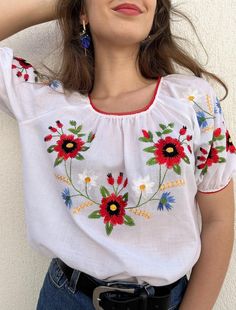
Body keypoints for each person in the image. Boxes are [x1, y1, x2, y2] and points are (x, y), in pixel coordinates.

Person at [0, 1, 235, 309]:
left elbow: (220, 219)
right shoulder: (43, 102)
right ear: (82, 12)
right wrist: (66, 3)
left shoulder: (192, 100)